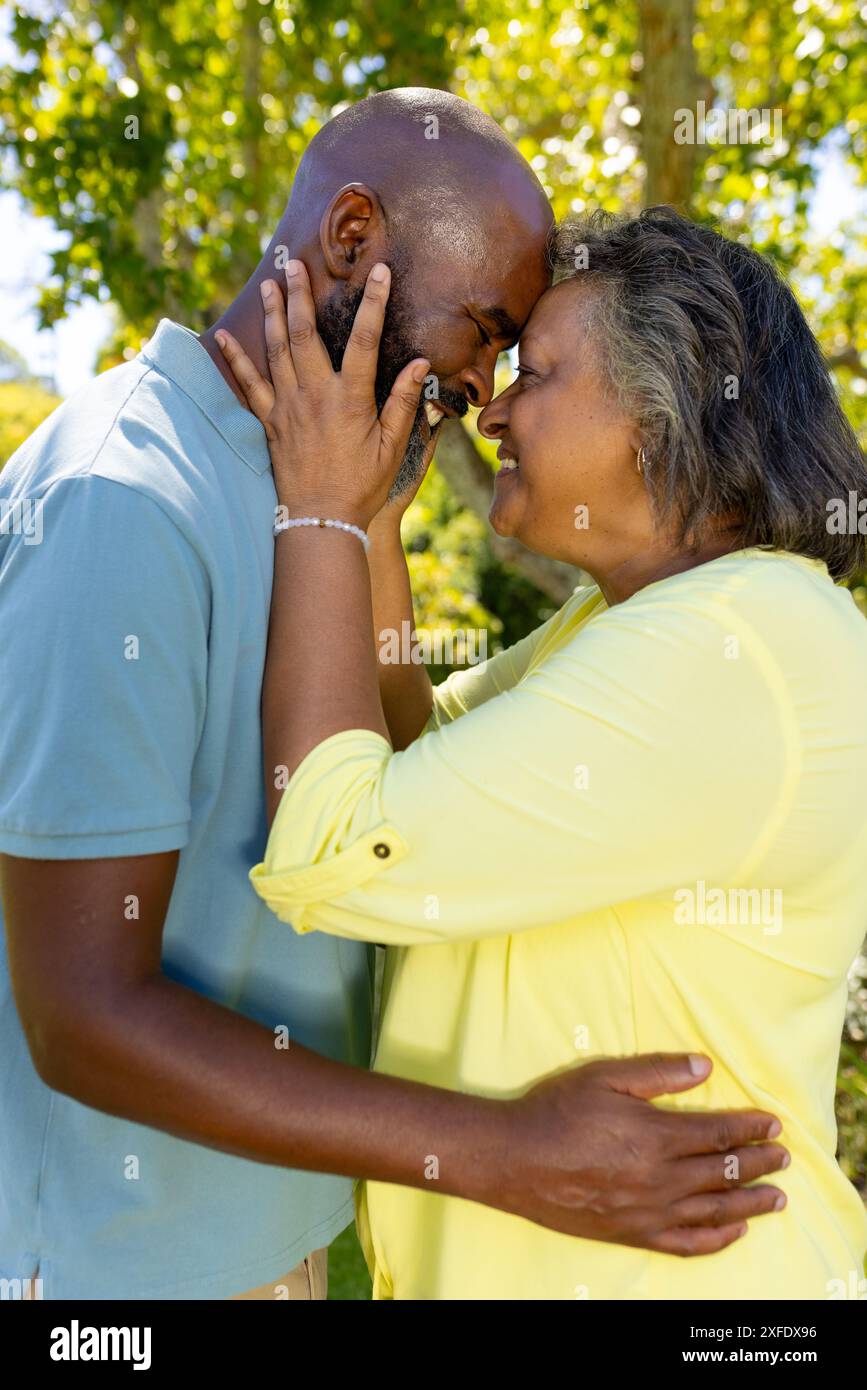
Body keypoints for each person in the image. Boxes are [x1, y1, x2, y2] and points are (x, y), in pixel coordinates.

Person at [0, 89, 785, 1302]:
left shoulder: (315, 487)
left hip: (277, 1245)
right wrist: (504, 1153)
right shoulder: (126, 499)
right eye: (481, 330)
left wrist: (364, 525)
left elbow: (395, 783)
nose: (484, 391)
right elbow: (85, 1011)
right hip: (129, 1277)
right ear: (353, 236)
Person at [220, 205, 867, 1300]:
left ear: (660, 417)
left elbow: (334, 836)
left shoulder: (732, 646)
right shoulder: (638, 624)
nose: (495, 411)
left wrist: (320, 509)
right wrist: (372, 520)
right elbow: (409, 748)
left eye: (540, 374)